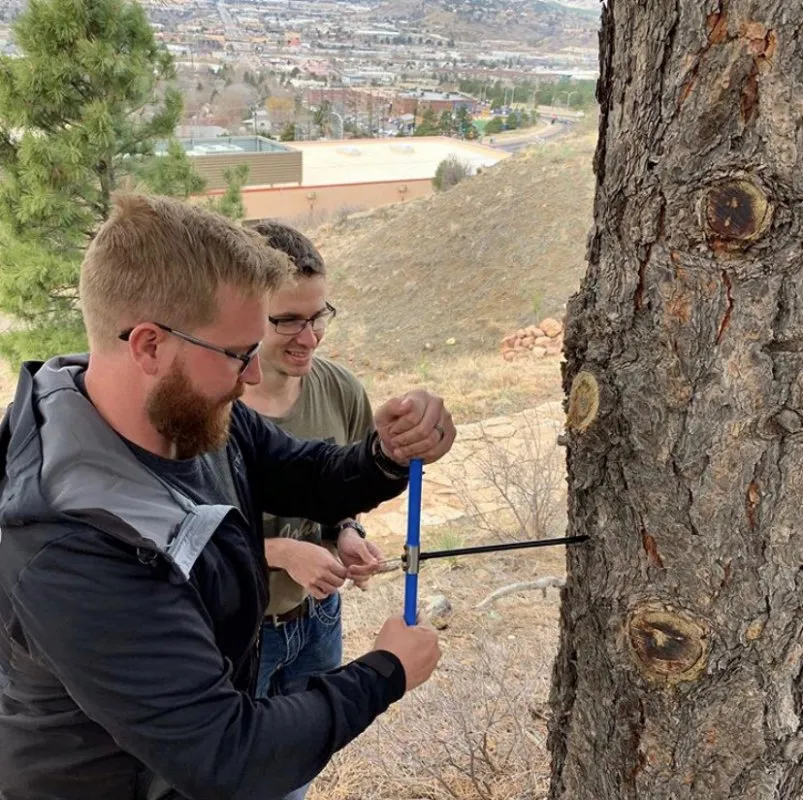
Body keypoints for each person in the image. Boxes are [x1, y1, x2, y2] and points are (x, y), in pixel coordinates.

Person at [0, 194, 455, 800]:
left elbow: (306, 474)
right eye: (240, 355)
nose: (255, 377)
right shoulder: (73, 544)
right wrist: (385, 672)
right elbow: (229, 756)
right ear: (149, 346)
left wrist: (387, 453)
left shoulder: (182, 412)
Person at [242, 222, 380, 713]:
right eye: (288, 321)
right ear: (241, 314)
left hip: (317, 624)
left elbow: (336, 499)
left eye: (318, 316)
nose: (311, 338)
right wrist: (281, 552)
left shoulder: (341, 390)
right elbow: (174, 544)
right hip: (235, 639)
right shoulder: (203, 409)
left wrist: (344, 531)